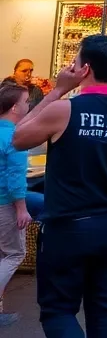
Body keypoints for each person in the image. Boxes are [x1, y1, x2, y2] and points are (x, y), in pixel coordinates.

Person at [13, 34, 107, 338]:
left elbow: (17, 137)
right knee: (104, 309)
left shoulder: (65, 110)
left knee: (58, 310)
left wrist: (58, 90)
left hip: (69, 227)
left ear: (84, 68)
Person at [0, 83, 34, 327]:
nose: (28, 105)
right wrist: (21, 208)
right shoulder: (15, 136)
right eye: (26, 102)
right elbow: (15, 177)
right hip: (5, 202)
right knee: (14, 253)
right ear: (15, 107)